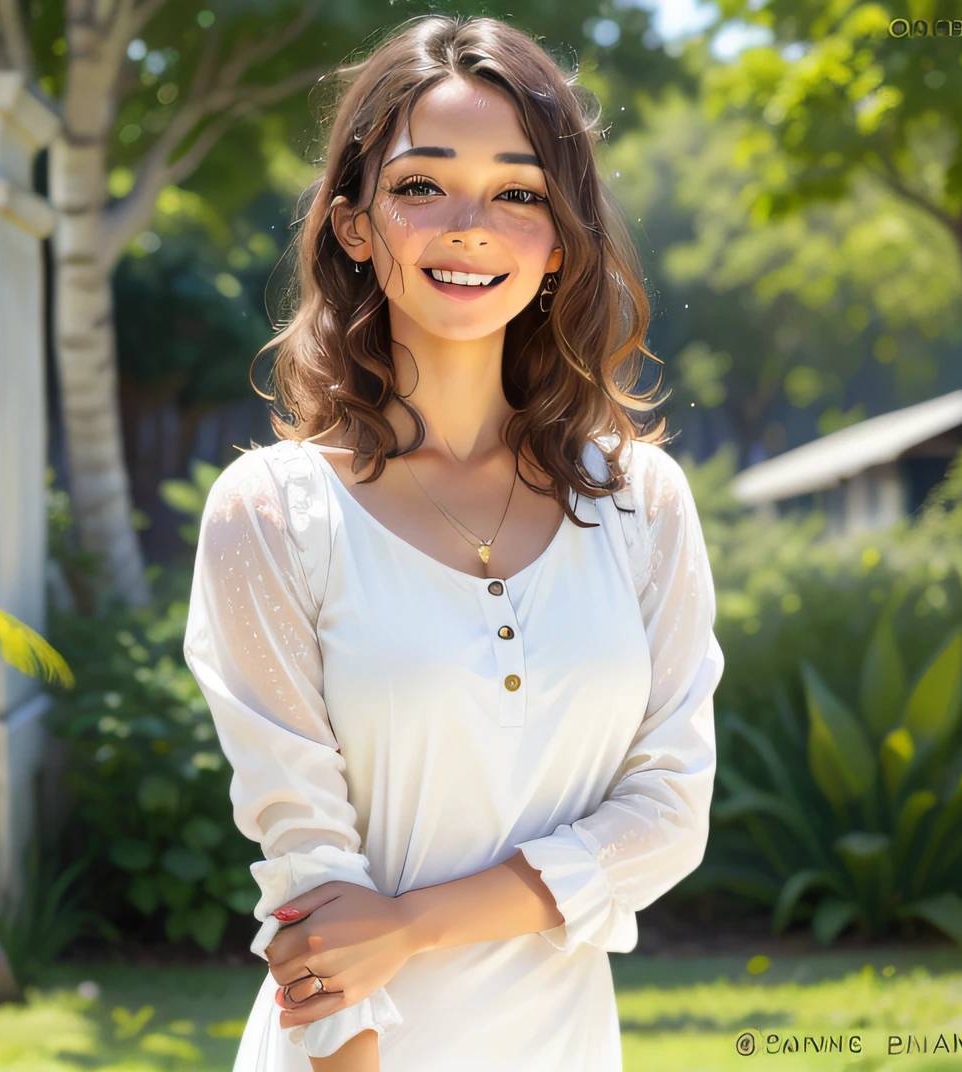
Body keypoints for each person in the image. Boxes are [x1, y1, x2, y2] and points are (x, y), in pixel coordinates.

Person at [182, 14, 724, 1072]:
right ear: (351, 225)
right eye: (421, 185)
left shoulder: (641, 505)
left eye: (517, 193)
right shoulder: (269, 515)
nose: (468, 226)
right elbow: (309, 873)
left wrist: (414, 923)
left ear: (561, 240)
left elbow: (667, 814)